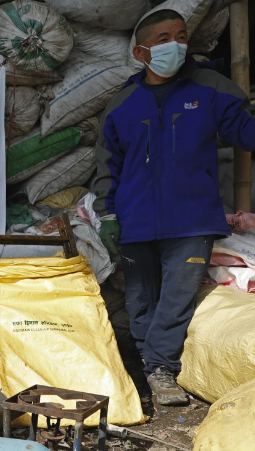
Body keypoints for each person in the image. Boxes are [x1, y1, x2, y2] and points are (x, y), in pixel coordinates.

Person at [93, 9, 255, 406]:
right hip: (135, 219)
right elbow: (107, 163)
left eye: (181, 36)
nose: (176, 45)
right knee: (140, 299)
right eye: (164, 38)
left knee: (177, 296)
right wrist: (107, 214)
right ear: (141, 51)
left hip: (192, 219)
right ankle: (153, 365)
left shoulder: (211, 88)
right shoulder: (122, 104)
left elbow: (246, 130)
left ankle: (160, 369)